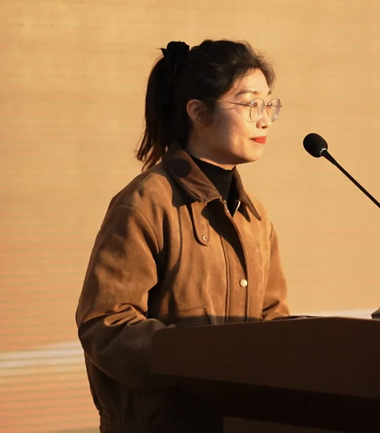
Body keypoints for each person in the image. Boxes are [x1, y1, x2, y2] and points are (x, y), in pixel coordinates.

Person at [75, 39, 290, 433]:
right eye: (249, 104)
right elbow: (106, 325)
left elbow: (274, 319)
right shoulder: (146, 203)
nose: (264, 120)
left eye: (268, 105)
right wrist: (206, 358)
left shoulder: (254, 216)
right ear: (198, 111)